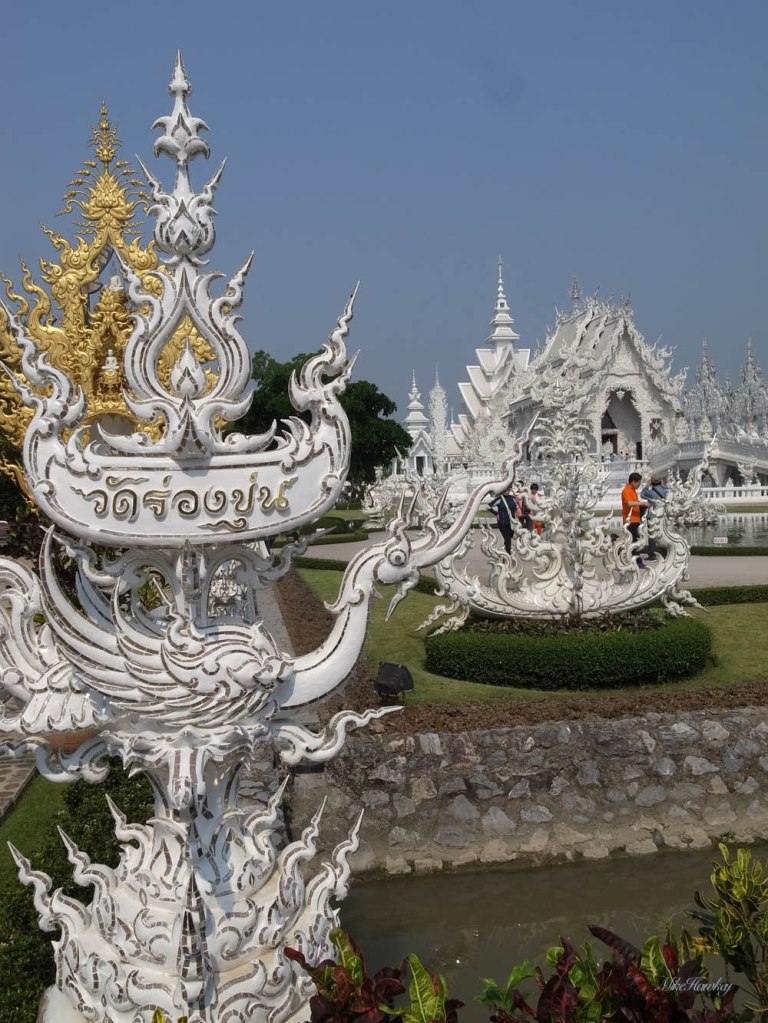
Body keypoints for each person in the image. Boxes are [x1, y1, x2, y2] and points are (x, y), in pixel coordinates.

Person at [620, 472, 650, 567]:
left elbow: (635, 502)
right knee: (634, 541)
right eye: (638, 483)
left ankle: (636, 560)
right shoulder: (626, 490)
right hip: (630, 521)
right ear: (633, 482)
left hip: (635, 519)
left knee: (636, 541)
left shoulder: (632, 490)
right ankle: (636, 561)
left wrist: (642, 503)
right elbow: (629, 503)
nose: (639, 485)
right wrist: (642, 503)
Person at [640, 477, 668, 561]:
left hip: (653, 515)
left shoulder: (650, 492)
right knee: (663, 534)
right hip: (663, 515)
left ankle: (652, 555)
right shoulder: (666, 491)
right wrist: (663, 486)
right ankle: (665, 553)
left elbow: (642, 494)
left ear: (651, 483)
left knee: (652, 535)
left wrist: (647, 486)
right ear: (660, 482)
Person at [489, 486, 517, 554]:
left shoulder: (512, 498)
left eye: (508, 490)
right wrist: (496, 513)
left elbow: (516, 507)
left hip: (511, 522)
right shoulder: (499, 499)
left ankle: (506, 548)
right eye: (505, 490)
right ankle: (508, 554)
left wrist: (513, 514)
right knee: (507, 538)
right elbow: (488, 506)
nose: (507, 491)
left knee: (510, 537)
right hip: (503, 522)